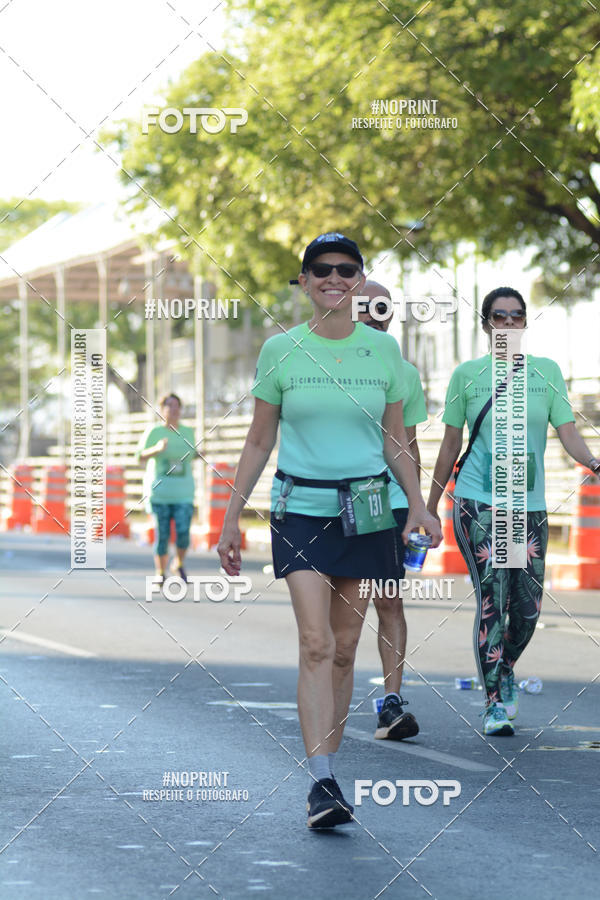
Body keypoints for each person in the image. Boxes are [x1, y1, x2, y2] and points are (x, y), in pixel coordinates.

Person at [218, 233, 441, 829]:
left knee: (345, 649)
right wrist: (230, 516)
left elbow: (397, 440)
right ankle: (322, 783)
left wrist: (418, 505)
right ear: (305, 280)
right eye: (322, 270)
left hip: (368, 509)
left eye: (346, 270)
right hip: (300, 510)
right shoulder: (280, 351)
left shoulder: (383, 353)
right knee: (316, 643)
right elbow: (259, 439)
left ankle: (332, 765)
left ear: (359, 278)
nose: (334, 279)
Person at [427, 287, 600, 736]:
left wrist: (595, 462)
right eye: (498, 317)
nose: (507, 324)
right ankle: (491, 704)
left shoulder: (546, 373)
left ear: (525, 323)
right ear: (486, 325)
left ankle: (504, 668)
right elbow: (449, 445)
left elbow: (569, 434)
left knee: (526, 609)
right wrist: (427, 508)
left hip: (530, 505)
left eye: (515, 317)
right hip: (479, 502)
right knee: (493, 599)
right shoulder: (467, 375)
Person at [358, 281, 427, 742]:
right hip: (340, 498)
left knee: (388, 600)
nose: (375, 316)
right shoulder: (326, 364)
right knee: (341, 608)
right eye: (366, 307)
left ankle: (392, 702)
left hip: (389, 503)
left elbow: (411, 443)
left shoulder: (404, 371)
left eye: (382, 309)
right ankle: (329, 685)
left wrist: (417, 507)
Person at [137, 393, 197, 584]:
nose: (173, 410)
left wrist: (199, 454)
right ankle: (160, 571)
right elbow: (139, 457)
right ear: (162, 410)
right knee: (162, 534)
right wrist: (156, 449)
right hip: (160, 493)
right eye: (169, 406)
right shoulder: (153, 432)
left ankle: (178, 563)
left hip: (183, 494)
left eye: (177, 406)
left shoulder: (188, 432)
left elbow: (193, 454)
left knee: (183, 533)